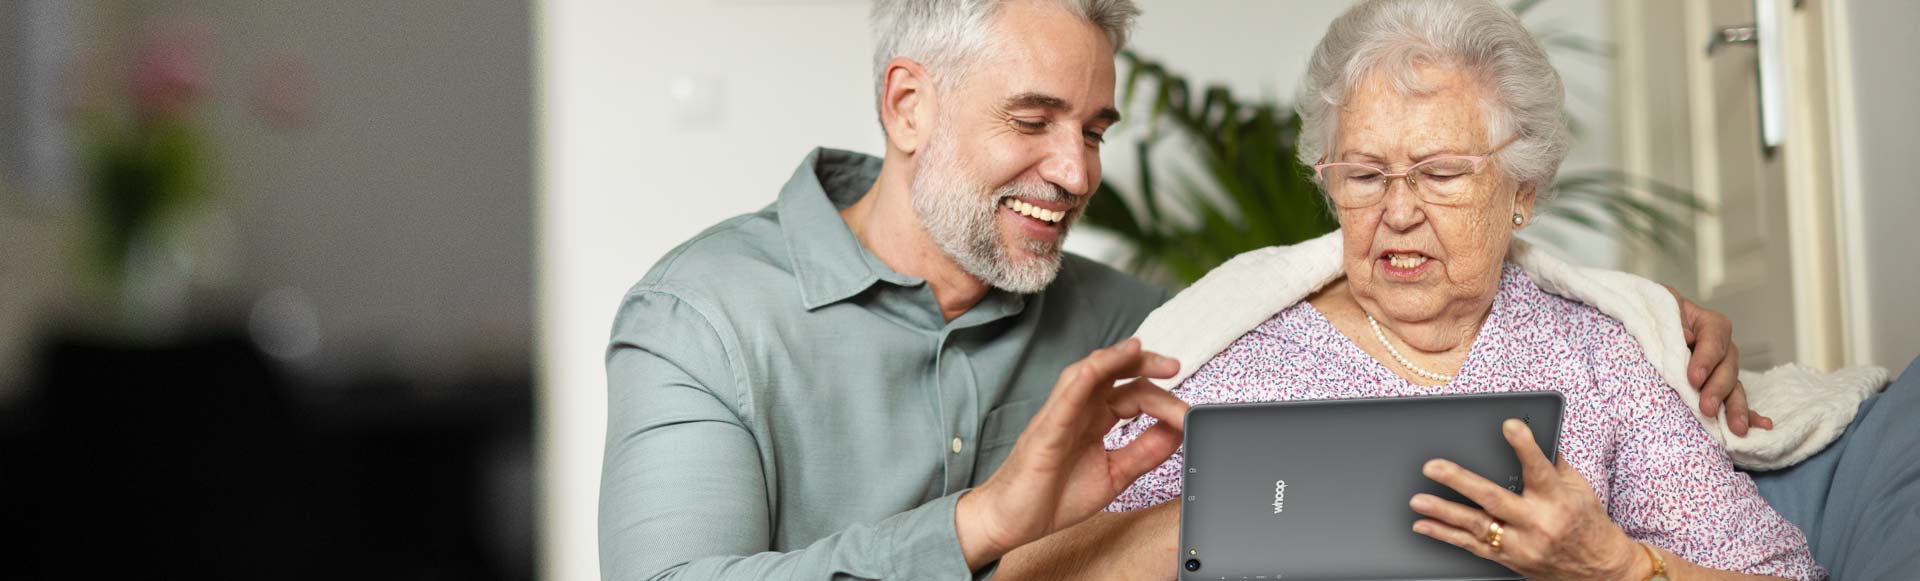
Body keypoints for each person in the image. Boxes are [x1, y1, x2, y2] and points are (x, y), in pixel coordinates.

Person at [599, 1, 1761, 579]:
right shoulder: (701, 319)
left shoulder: (1142, 328)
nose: (1080, 171)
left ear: (1521, 190)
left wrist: (1646, 316)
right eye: (1034, 120)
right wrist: (996, 522)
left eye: (1095, 127)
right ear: (907, 106)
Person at [999, 1, 1818, 579]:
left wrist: (1612, 567)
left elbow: (1783, 574)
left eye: (1440, 174)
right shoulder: (1237, 361)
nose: (1397, 211)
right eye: (1362, 174)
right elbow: (1029, 571)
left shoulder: (1595, 355)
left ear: (1523, 190)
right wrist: (1221, 519)